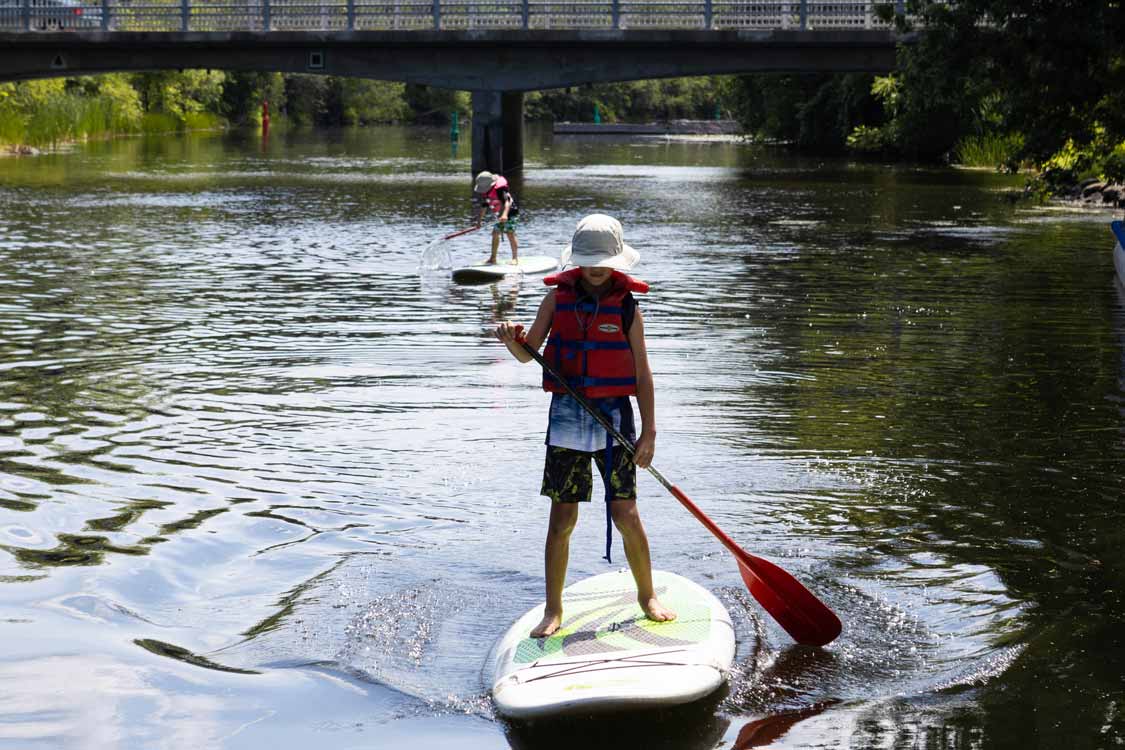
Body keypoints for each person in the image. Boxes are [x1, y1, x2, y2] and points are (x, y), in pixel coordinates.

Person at [495, 214, 676, 638]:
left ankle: (646, 594)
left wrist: (649, 433)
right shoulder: (556, 300)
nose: (595, 267)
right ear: (575, 261)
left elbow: (643, 376)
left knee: (626, 513)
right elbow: (529, 353)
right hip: (567, 422)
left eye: (603, 260)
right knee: (561, 520)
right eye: (588, 259)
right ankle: (553, 608)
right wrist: (512, 340)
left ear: (617, 261)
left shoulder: (628, 307)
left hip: (615, 421)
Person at [474, 171, 520, 265]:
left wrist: (505, 214)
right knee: (495, 233)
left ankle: (515, 258)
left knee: (510, 234)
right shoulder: (485, 193)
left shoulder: (500, 189)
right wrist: (479, 221)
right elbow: (483, 207)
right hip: (500, 215)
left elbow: (508, 202)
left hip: (511, 213)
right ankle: (493, 258)